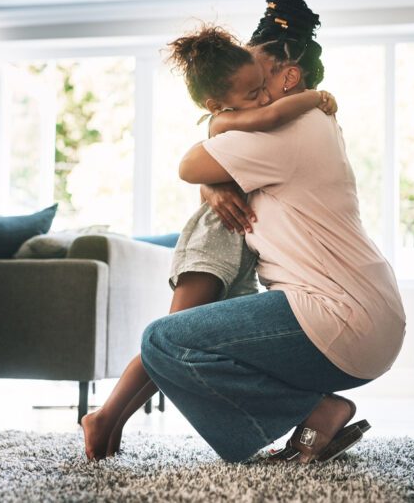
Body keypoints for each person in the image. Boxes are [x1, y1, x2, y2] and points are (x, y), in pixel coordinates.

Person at [139, 0, 407, 464]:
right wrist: (215, 189)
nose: (253, 96)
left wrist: (213, 166)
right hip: (365, 314)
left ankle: (319, 410)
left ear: (289, 76)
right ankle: (310, 417)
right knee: (200, 333)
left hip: (337, 315)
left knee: (164, 339)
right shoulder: (308, 124)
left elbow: (189, 165)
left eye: (258, 80)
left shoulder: (289, 127)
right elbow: (209, 174)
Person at [81, 25, 337, 461]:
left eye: (262, 88)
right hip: (215, 237)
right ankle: (105, 416)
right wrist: (316, 98)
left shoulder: (237, 116)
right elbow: (264, 122)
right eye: (252, 91)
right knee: (171, 334)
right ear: (216, 104)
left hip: (238, 242)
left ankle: (110, 418)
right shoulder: (228, 119)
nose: (261, 97)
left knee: (186, 340)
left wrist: (213, 186)